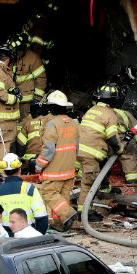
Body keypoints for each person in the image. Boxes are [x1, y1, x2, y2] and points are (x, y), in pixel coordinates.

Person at [76, 83, 124, 220]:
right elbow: (112, 138)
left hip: (80, 151)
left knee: (94, 175)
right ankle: (85, 213)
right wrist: (119, 149)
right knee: (88, 183)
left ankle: (104, 188)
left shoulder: (92, 109)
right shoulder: (110, 114)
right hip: (91, 153)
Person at [35, 90, 79, 231]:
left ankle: (68, 213)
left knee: (49, 193)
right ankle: (60, 223)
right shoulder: (73, 123)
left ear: (51, 107)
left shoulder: (52, 124)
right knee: (63, 197)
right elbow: (76, 146)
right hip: (69, 169)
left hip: (54, 170)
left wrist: (39, 164)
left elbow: (49, 149)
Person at [0, 153, 48, 236]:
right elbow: (41, 217)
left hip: (5, 237)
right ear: (20, 170)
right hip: (27, 236)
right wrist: (38, 237)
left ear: (4, 172)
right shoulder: (30, 189)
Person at [0, 45, 21, 173]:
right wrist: (15, 98)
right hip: (4, 116)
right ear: (7, 60)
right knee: (4, 144)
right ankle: (4, 173)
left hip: (0, 116)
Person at [9, 32, 47, 118]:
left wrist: (36, 99)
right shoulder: (10, 58)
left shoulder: (33, 58)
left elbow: (41, 79)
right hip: (12, 101)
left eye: (18, 51)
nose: (15, 53)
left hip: (27, 102)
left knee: (26, 124)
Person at [16, 102, 48, 171]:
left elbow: (20, 143)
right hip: (48, 159)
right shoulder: (52, 122)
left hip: (30, 161)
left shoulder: (28, 123)